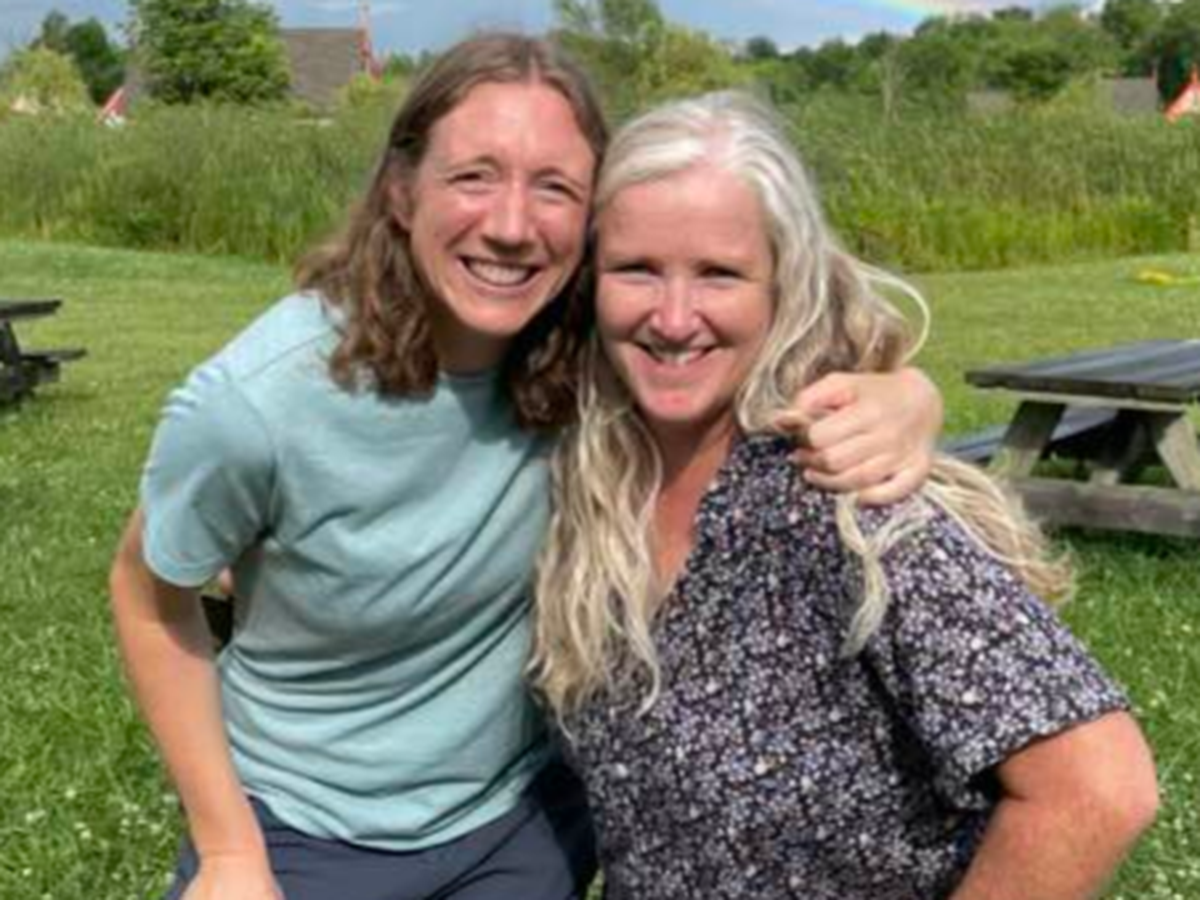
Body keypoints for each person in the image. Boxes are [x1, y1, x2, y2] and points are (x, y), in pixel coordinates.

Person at [109, 36, 943, 900]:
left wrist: (907, 394)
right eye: (474, 176)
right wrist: (230, 852)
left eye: (554, 188)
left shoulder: (601, 345)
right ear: (401, 190)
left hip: (523, 820)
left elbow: (775, 306)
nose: (511, 227)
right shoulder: (258, 402)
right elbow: (146, 593)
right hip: (305, 827)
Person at [531, 91, 1159, 900]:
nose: (674, 317)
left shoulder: (845, 497)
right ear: (590, 281)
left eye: (720, 273)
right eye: (636, 269)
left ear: (783, 288)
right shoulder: (591, 487)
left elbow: (1098, 789)